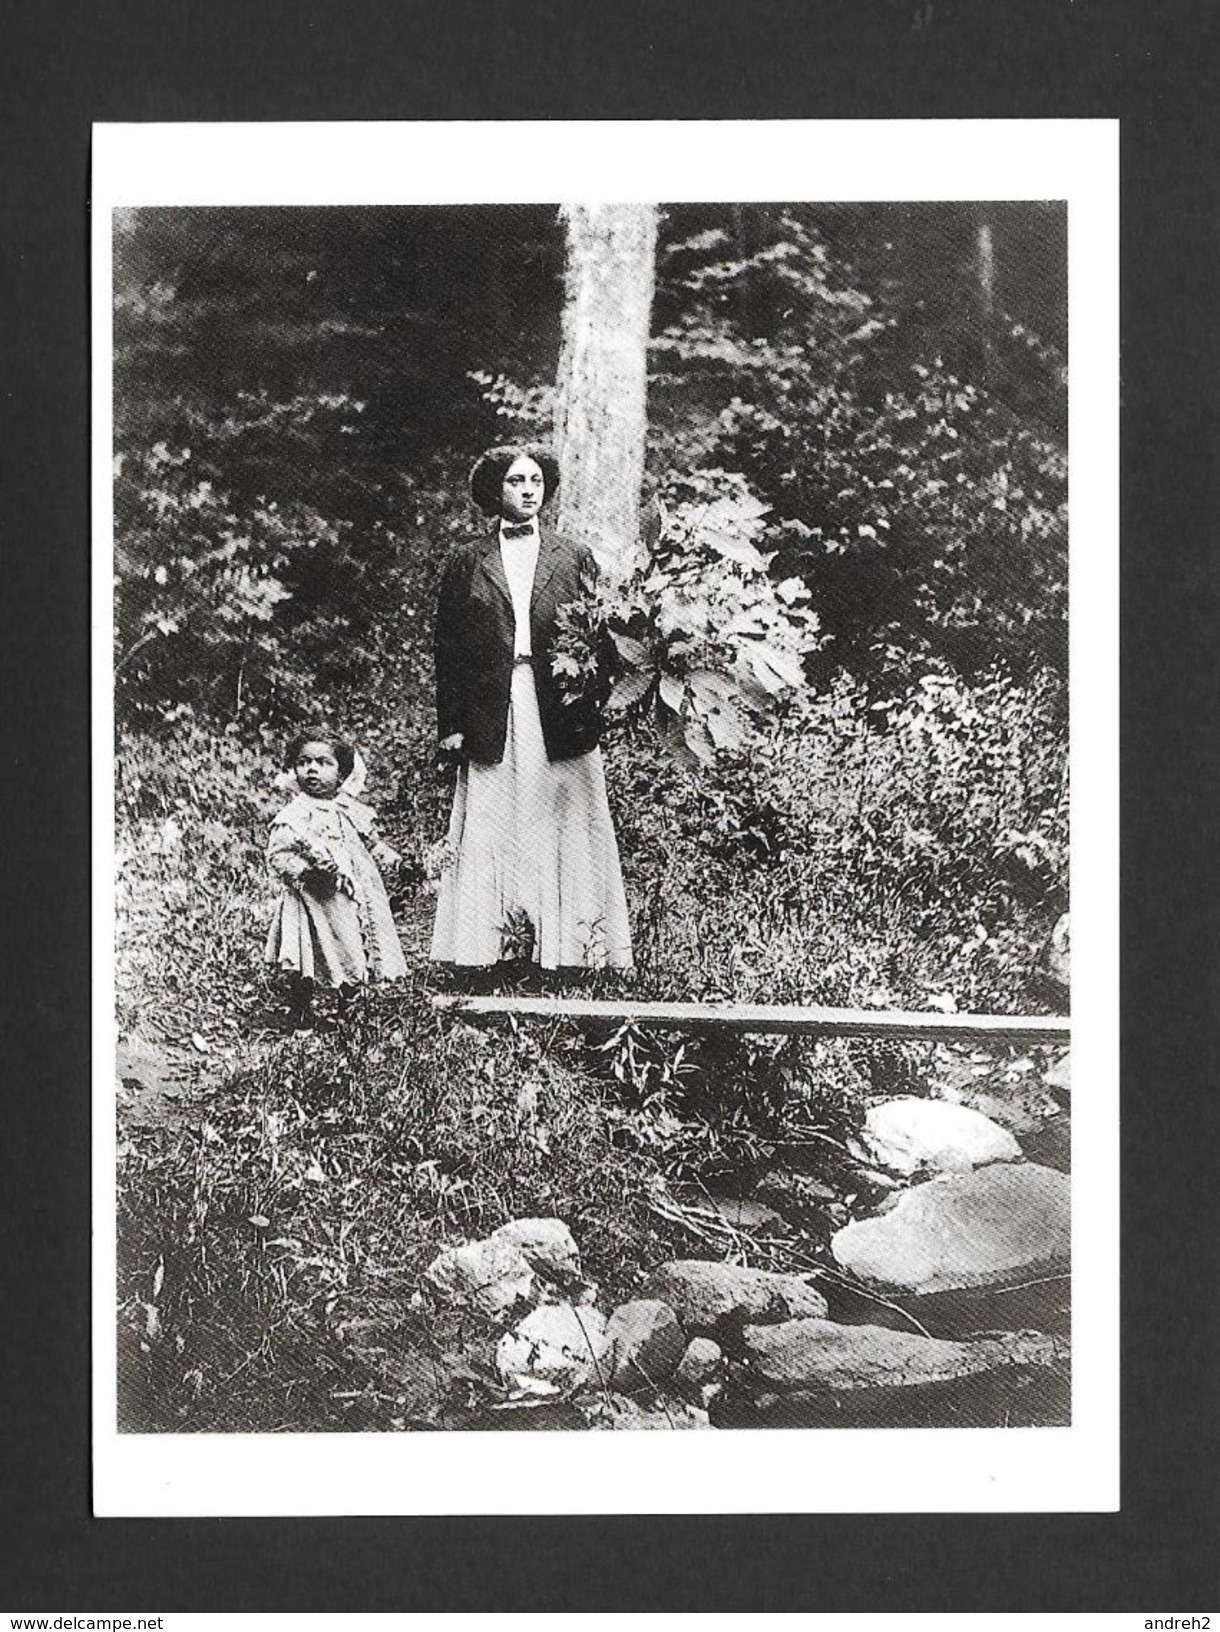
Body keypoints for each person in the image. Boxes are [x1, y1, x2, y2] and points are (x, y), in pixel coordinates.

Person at [430, 443, 632, 974]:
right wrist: (451, 725)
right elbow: (447, 649)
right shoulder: (467, 561)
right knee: (496, 815)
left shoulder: (573, 557)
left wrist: (595, 704)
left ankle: (571, 950)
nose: (527, 492)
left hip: (559, 707)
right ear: (495, 492)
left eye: (536, 482)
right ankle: (489, 949)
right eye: (517, 482)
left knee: (560, 817)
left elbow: (599, 636)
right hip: (493, 706)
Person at [265, 733, 407, 1024]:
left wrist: (394, 859)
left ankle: (349, 1011)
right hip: (309, 898)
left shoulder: (346, 808)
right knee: (305, 950)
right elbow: (278, 854)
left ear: (342, 773)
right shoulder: (295, 814)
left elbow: (369, 840)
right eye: (304, 763)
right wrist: (305, 872)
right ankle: (301, 1011)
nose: (312, 769)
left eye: (323, 763)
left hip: (345, 897)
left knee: (351, 946)